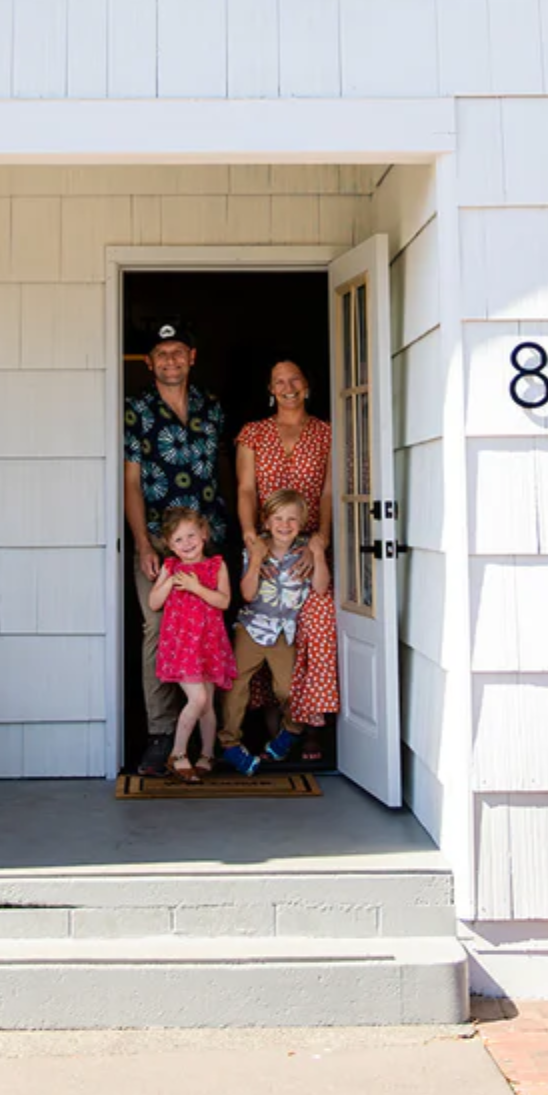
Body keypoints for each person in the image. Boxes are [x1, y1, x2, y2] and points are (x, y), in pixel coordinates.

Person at [124, 320, 230, 776]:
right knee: (158, 634)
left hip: (209, 547)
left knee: (209, 630)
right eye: (161, 354)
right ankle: (162, 734)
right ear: (149, 363)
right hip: (160, 546)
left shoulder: (211, 407)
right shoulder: (136, 410)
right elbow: (130, 482)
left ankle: (210, 735)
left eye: (178, 352)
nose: (171, 360)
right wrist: (143, 542)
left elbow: (222, 469)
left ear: (192, 357)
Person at [235, 360, 339, 760]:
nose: (288, 386)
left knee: (315, 624)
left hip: (309, 544)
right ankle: (271, 724)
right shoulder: (254, 433)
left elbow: (329, 492)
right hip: (266, 542)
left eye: (295, 378)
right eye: (279, 380)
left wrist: (321, 538)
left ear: (308, 385)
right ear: (270, 389)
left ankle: (310, 725)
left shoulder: (327, 432)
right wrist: (251, 538)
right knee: (262, 622)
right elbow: (246, 488)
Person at [219, 489, 323, 776]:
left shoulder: (304, 553)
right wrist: (255, 560)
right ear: (266, 522)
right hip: (252, 627)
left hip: (283, 632)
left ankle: (291, 731)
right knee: (235, 685)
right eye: (278, 518)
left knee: (288, 688)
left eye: (292, 519)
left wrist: (318, 552)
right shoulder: (255, 550)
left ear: (302, 523)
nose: (285, 525)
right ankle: (229, 744)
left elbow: (322, 587)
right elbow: (248, 594)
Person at [148, 506, 235, 783]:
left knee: (207, 704)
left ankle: (207, 754)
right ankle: (178, 753)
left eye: (191, 536)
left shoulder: (216, 565)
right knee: (196, 698)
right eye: (178, 540)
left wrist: (197, 588)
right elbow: (154, 603)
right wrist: (171, 581)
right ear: (169, 546)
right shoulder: (171, 567)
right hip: (183, 645)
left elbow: (223, 601)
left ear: (204, 534)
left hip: (208, 644)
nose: (186, 544)